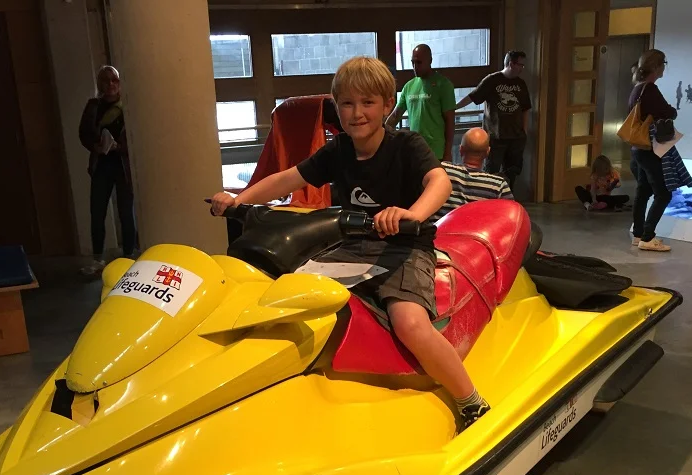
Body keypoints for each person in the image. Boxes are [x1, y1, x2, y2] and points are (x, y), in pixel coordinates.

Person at [210, 57, 490, 432]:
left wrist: (412, 215)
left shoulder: (407, 144)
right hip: (352, 246)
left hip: (404, 248)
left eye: (368, 102)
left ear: (388, 105)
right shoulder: (338, 150)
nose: (357, 113)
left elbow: (439, 182)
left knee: (410, 323)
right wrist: (239, 200)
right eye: (347, 103)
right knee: (285, 293)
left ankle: (471, 400)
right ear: (337, 107)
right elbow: (286, 180)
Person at [78, 65, 137, 275]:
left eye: (114, 80)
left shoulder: (128, 105)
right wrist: (96, 146)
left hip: (122, 165)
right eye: (105, 81)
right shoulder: (93, 106)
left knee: (126, 213)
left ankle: (129, 258)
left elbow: (136, 134)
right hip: (101, 165)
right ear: (99, 84)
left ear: (119, 82)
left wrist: (120, 148)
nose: (110, 85)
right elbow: (84, 133)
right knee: (97, 213)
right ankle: (97, 259)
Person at [454, 51, 531, 191]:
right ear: (511, 64)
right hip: (496, 136)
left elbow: (525, 108)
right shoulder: (492, 80)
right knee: (492, 172)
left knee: (512, 172)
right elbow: (473, 97)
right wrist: (453, 108)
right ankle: (490, 202)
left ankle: (508, 200)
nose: (522, 69)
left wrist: (524, 131)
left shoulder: (521, 84)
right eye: (520, 65)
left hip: (516, 137)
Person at [628, 50, 676, 252]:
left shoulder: (637, 89)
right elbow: (668, 112)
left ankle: (638, 234)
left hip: (637, 148)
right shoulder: (650, 90)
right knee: (663, 194)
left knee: (643, 190)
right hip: (649, 147)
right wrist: (671, 110)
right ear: (657, 67)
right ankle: (648, 237)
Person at [386, 44, 456, 162]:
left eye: (419, 63)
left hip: (436, 151)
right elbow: (395, 115)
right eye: (413, 62)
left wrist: (448, 153)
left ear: (430, 61)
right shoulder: (409, 86)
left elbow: (450, 121)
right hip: (415, 149)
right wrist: (382, 132)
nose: (415, 67)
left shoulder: (443, 85)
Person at [436, 128, 512, 219]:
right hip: (480, 232)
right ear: (487, 152)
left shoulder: (442, 171)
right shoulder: (499, 185)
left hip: (439, 232)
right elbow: (510, 220)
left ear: (460, 150)